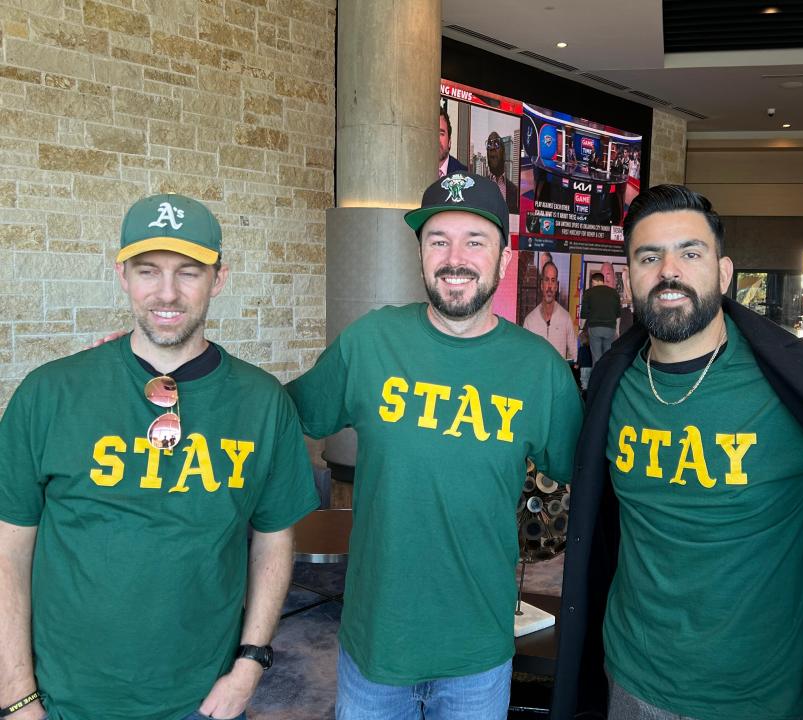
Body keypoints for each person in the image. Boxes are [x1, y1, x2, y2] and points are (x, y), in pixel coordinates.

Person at [550, 184, 803, 720]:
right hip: (634, 682)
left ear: (723, 274)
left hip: (765, 697)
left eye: (690, 253)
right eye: (649, 257)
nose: (669, 270)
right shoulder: (612, 380)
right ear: (630, 279)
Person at [0, 193, 319, 720]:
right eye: (148, 271)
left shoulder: (262, 402)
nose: (166, 292)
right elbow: (9, 552)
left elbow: (273, 539)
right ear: (123, 274)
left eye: (188, 272)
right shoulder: (49, 394)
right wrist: (18, 697)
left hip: (203, 700)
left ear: (218, 278)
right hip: (65, 701)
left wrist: (251, 663)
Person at [286, 172, 583, 719]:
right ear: (420, 254)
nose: (455, 257)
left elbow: (594, 480)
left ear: (504, 260)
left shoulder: (539, 370)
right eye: (438, 240)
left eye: (476, 241)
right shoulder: (372, 341)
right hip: (378, 648)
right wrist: (179, 382)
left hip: (477, 653)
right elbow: (280, 415)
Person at [523, 261, 577, 361]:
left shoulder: (565, 318)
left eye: (553, 280)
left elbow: (575, 355)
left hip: (557, 376)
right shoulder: (529, 321)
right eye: (547, 280)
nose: (549, 286)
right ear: (541, 285)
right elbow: (525, 356)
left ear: (556, 286)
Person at [580, 271, 620, 364]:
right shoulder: (614, 293)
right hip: (610, 329)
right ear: (602, 281)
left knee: (596, 359)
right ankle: (606, 377)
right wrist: (617, 331)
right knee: (607, 358)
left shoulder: (589, 292)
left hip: (595, 328)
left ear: (594, 281)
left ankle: (597, 377)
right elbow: (618, 314)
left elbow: (584, 313)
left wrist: (581, 328)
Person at [485, 131, 519, 214]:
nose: (492, 148)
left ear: (504, 154)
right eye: (489, 144)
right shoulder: (479, 186)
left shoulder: (515, 191)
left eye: (496, 144)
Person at [439, 105, 467, 177]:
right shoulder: (411, 170)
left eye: (441, 134)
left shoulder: (464, 174)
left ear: (449, 141)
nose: (436, 139)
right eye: (432, 133)